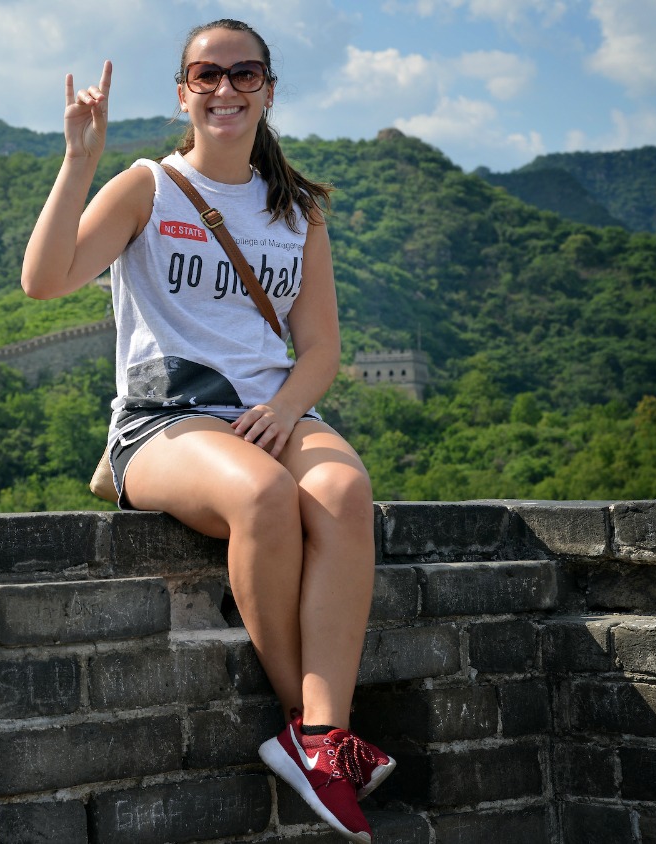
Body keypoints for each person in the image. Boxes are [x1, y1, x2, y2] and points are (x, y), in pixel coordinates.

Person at [20, 18, 392, 844]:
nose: (226, 89)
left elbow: (321, 347)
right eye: (207, 75)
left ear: (267, 87)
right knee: (263, 495)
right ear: (184, 91)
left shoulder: (298, 210)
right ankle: (317, 735)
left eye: (244, 73)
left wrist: (289, 408)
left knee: (341, 488)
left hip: (270, 408)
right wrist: (80, 158)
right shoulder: (147, 185)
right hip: (165, 419)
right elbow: (43, 283)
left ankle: (321, 735)